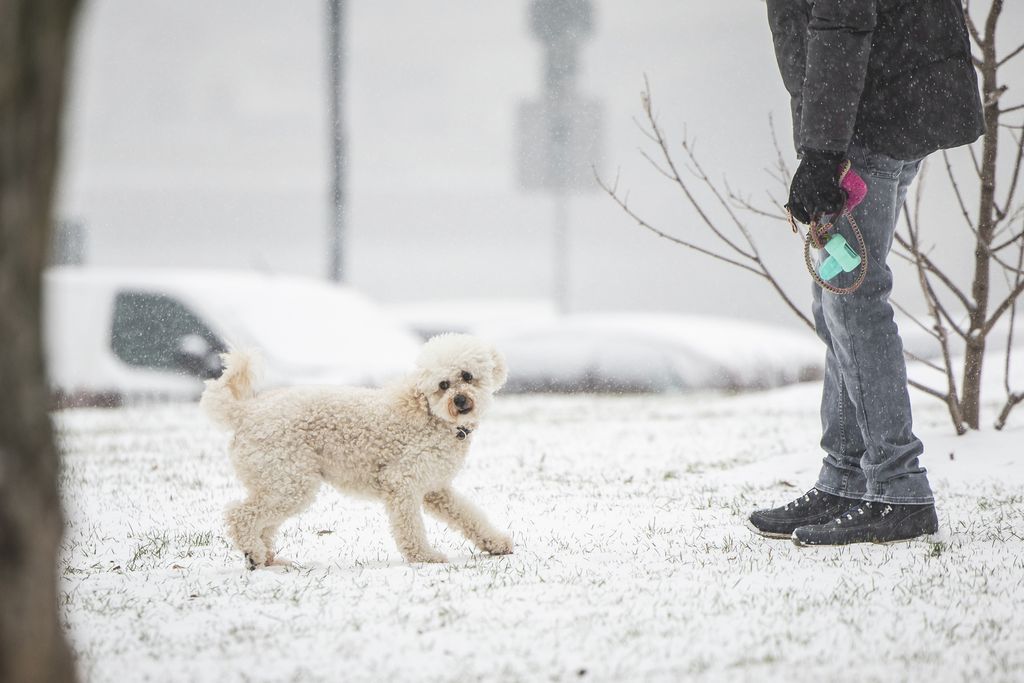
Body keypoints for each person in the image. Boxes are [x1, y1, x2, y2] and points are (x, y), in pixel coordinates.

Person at [748, 0, 984, 545]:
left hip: (867, 124)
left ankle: (898, 487)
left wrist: (824, 153)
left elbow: (842, 22)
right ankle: (847, 476)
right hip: (892, 108)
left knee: (854, 300)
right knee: (836, 295)